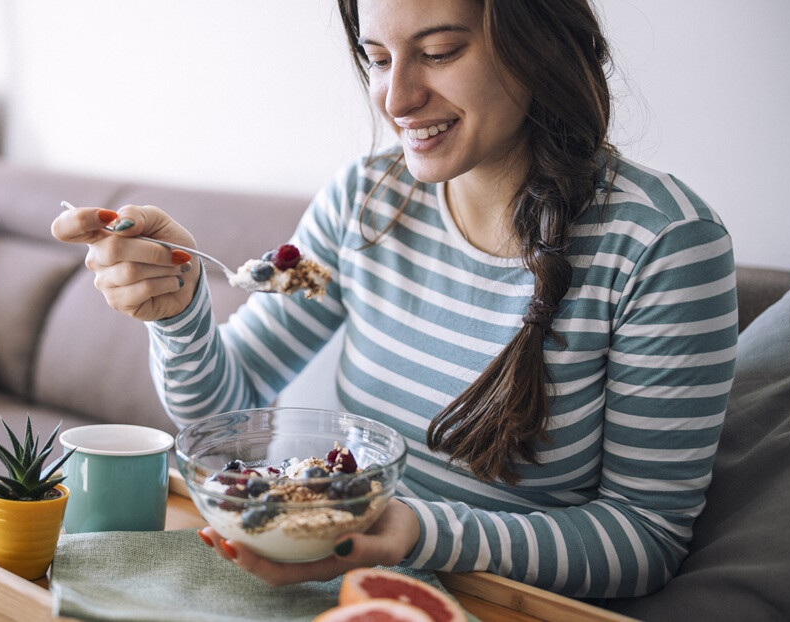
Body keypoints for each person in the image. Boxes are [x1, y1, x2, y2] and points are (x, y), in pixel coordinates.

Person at [50, 0, 738, 600]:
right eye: (377, 58)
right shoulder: (366, 199)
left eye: (438, 52)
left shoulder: (664, 244)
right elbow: (223, 413)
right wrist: (179, 314)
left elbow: (646, 538)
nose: (395, 99)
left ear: (541, 43)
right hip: (342, 586)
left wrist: (420, 533)